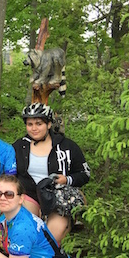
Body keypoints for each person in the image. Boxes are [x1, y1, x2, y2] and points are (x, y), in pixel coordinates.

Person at [12, 103, 90, 243]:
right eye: (30, 124)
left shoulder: (67, 146)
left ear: (48, 124)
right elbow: (10, 173)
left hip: (58, 197)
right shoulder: (19, 146)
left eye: (39, 123)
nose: (34, 128)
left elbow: (85, 174)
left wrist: (67, 179)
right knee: (26, 234)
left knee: (50, 241)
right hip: (29, 195)